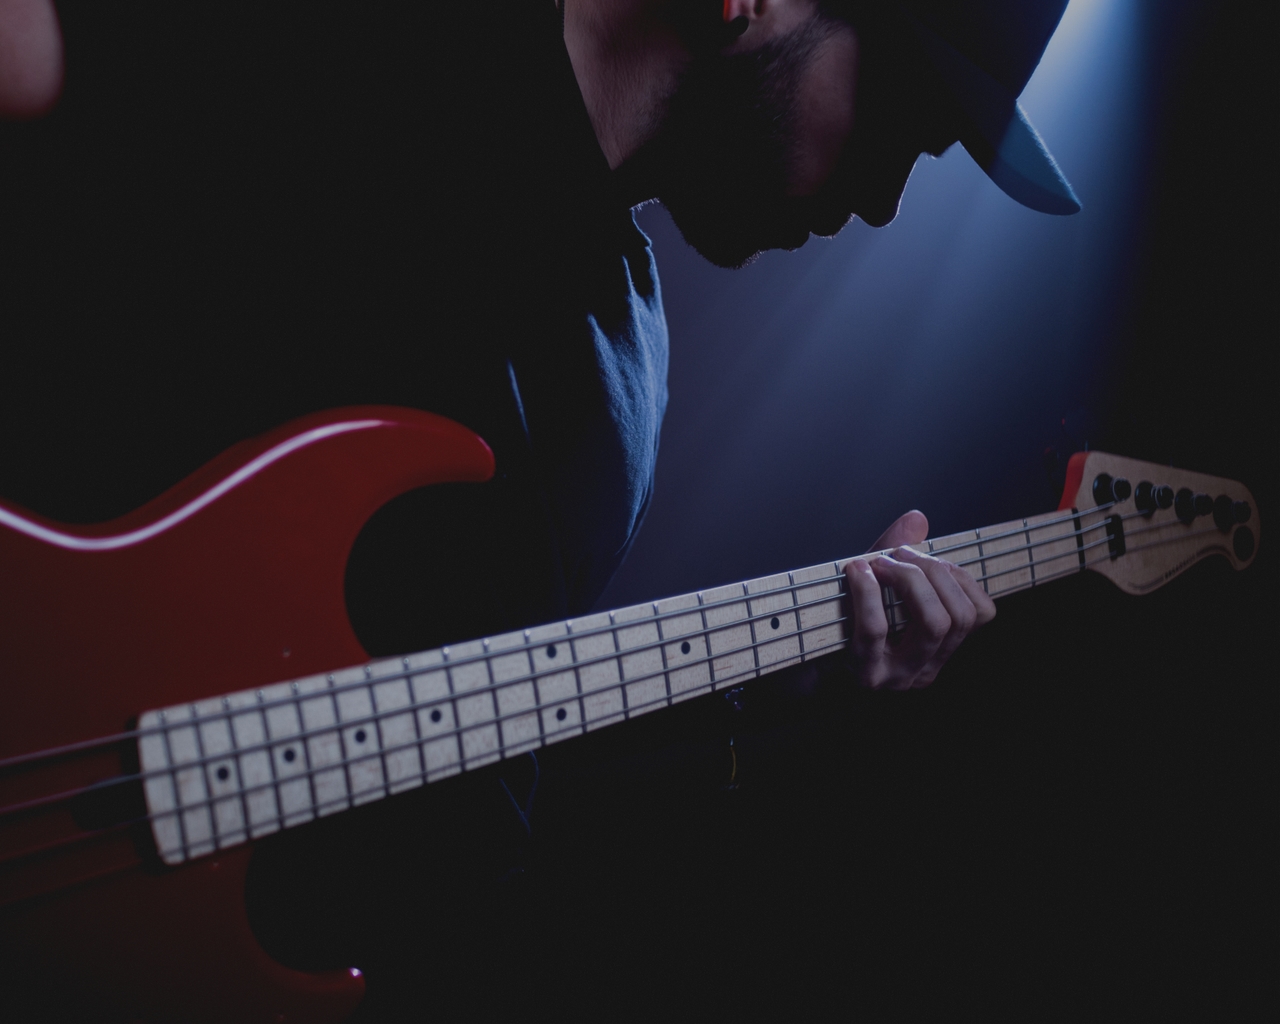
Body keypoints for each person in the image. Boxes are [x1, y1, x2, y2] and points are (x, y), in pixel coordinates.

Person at [0, 1, 1077, 1012]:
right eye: (898, 121)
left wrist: (797, 683)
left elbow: (476, 797)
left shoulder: (625, 362)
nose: (883, 202)